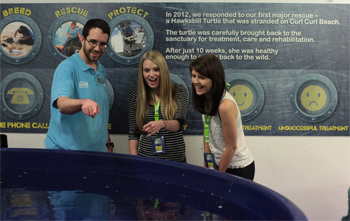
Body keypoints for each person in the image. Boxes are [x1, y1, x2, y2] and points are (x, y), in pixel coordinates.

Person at [44, 18, 114, 153]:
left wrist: (108, 141)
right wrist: (83, 102)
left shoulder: (101, 70)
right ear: (82, 38)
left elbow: (100, 110)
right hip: (66, 153)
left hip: (97, 152)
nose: (97, 48)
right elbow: (62, 104)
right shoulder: (66, 68)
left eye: (102, 44)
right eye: (93, 42)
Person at [190, 54, 255, 180]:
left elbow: (231, 147)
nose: (195, 81)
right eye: (194, 76)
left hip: (238, 168)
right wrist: (207, 162)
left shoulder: (225, 106)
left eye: (201, 77)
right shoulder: (205, 98)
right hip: (217, 164)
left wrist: (217, 175)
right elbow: (207, 133)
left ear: (214, 79)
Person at [129, 50, 188, 162]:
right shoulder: (136, 96)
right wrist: (134, 161)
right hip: (146, 161)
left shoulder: (178, 91)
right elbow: (133, 133)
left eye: (156, 69)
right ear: (142, 72)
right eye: (147, 70)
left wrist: (162, 124)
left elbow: (178, 124)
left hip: (175, 162)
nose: (152, 75)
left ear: (163, 70)